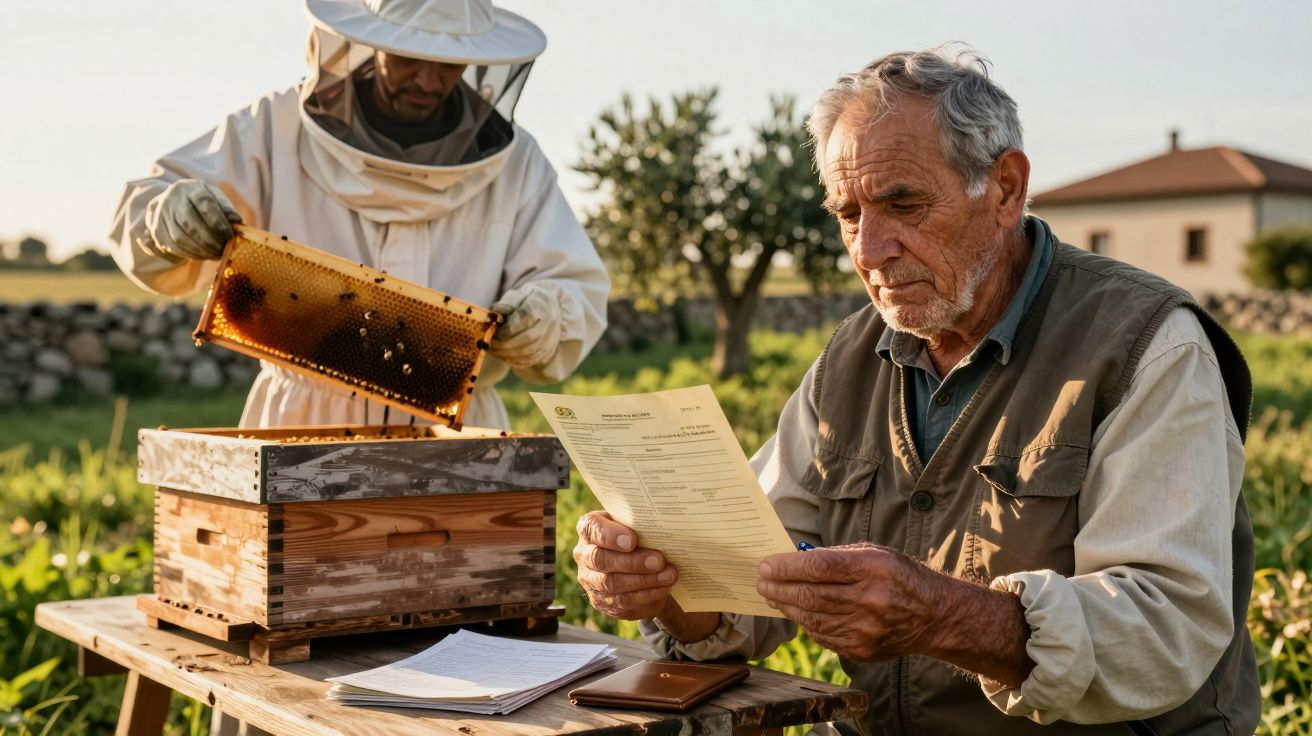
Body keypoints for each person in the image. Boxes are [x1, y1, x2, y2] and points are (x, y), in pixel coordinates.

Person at [573, 47, 1259, 734]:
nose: (869, 251)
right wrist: (664, 590)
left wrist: (940, 615)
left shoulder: (1148, 345)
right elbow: (751, 585)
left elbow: (1165, 632)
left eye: (902, 203)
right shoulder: (848, 359)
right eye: (848, 214)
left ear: (1005, 190)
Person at [110, 0, 609, 431]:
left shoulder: (516, 163)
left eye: (452, 62)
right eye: (413, 57)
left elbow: (574, 287)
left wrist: (545, 316)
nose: (430, 81)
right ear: (373, 43)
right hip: (302, 422)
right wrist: (167, 217)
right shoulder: (273, 128)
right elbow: (147, 208)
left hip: (455, 430)